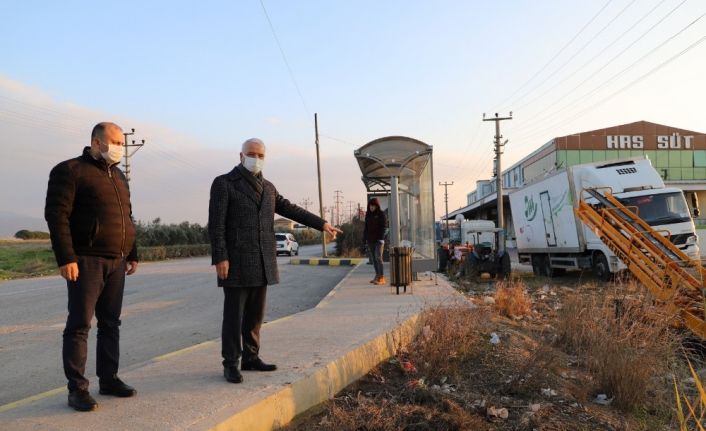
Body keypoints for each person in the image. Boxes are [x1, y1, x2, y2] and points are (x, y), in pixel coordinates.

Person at [208, 138, 342, 384]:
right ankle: (231, 363)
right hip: (236, 260)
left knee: (255, 316)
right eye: (251, 154)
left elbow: (290, 209)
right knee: (233, 315)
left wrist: (322, 224)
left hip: (262, 260)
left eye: (260, 155)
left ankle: (251, 357)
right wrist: (220, 256)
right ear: (240, 156)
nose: (256, 159)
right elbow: (216, 225)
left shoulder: (268, 187)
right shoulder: (224, 183)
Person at [45, 122, 139, 412]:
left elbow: (127, 215)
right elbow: (56, 215)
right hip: (86, 260)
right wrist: (66, 258)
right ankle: (77, 389)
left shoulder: (119, 176)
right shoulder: (70, 170)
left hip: (117, 260)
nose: (119, 148)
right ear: (96, 142)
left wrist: (132, 252)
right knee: (80, 325)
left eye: (122, 143)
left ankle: (109, 379)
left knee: (111, 324)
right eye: (114, 142)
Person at [363, 197, 386, 285]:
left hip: (379, 240)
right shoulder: (368, 215)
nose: (371, 208)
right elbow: (366, 228)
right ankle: (377, 276)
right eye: (370, 206)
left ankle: (382, 277)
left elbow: (383, 227)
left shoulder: (381, 214)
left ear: (376, 206)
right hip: (370, 240)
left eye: (373, 206)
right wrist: (364, 239)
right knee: (373, 259)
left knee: (378, 257)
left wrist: (381, 238)